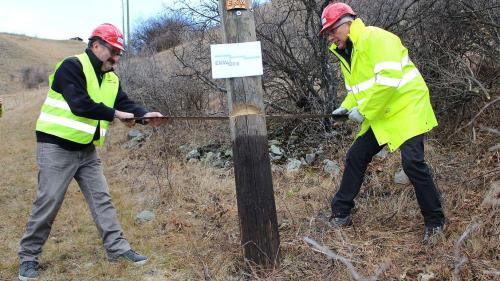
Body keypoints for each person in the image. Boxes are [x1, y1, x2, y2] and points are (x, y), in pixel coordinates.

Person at [17, 23, 164, 280]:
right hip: (55, 145)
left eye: (120, 53)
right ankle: (28, 258)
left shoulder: (111, 78)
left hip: (86, 150)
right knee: (48, 202)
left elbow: (123, 103)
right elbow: (79, 104)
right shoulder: (71, 67)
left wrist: (143, 114)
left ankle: (117, 250)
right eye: (113, 51)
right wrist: (115, 114)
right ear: (96, 45)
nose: (117, 58)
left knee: (102, 199)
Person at [320, 3, 445, 243]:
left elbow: (388, 80)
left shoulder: (375, 38)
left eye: (332, 30)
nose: (331, 37)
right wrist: (346, 107)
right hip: (382, 114)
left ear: (346, 23)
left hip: (407, 108)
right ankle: (340, 213)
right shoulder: (349, 52)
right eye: (327, 33)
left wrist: (363, 110)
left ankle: (435, 223)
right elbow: (357, 90)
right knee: (356, 155)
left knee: (413, 163)